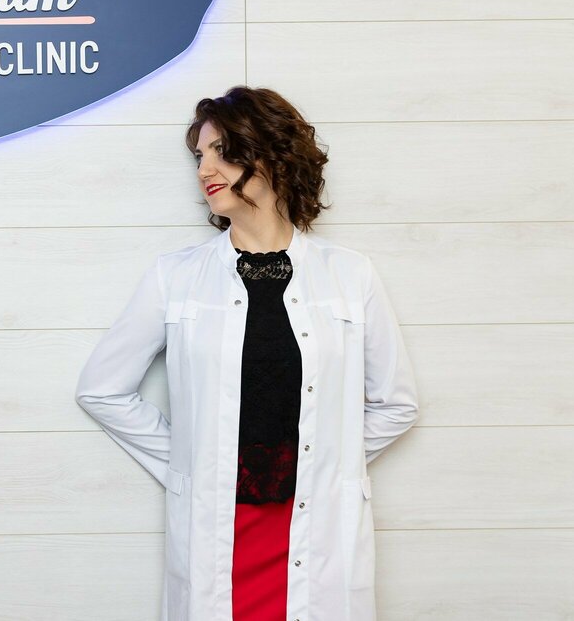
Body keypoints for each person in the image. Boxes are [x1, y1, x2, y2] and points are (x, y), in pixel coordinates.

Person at [75, 86, 418, 621]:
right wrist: (194, 463)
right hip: (218, 525)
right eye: (199, 155)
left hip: (317, 525)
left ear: (272, 154)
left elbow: (397, 404)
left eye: (221, 151)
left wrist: (323, 462)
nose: (204, 169)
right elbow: (101, 390)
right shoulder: (175, 276)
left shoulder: (350, 275)